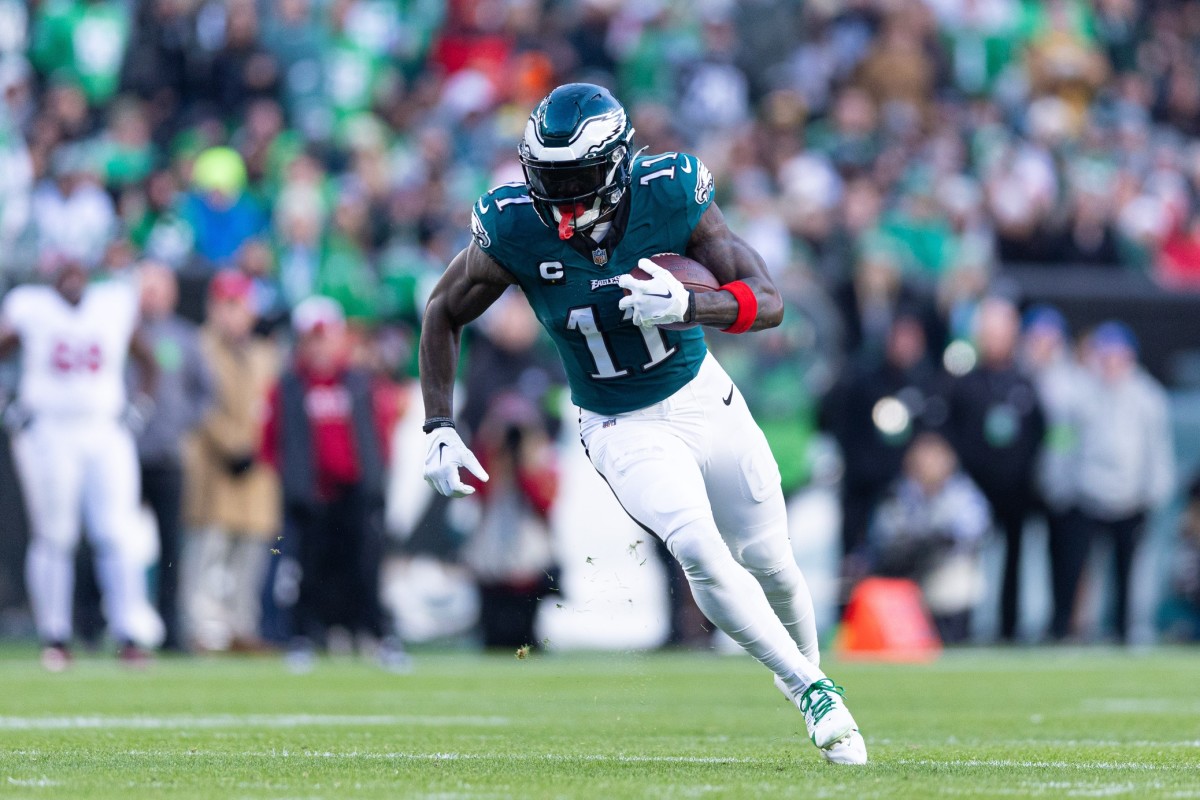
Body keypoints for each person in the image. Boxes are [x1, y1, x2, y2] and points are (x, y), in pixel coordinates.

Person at [419, 83, 866, 764]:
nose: (559, 199)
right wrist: (438, 423)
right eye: (548, 180)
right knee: (696, 548)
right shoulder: (514, 224)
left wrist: (691, 303)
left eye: (574, 181)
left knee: (771, 560)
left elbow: (769, 302)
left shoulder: (669, 192)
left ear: (614, 166)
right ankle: (813, 692)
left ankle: (807, 672)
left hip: (702, 396)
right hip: (618, 422)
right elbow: (443, 310)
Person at [0, 259, 161, 669]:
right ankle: (55, 635)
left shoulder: (113, 303)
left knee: (117, 531)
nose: (71, 276)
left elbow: (149, 359)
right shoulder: (29, 306)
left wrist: (139, 409)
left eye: (77, 267)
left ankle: (130, 633)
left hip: (105, 429)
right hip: (49, 432)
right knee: (55, 535)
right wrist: (9, 406)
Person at [261, 296, 407, 671]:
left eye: (325, 337)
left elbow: (380, 433)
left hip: (355, 492)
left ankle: (376, 635)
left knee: (365, 566)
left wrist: (377, 479)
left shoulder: (359, 382)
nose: (320, 346)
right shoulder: (290, 385)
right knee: (306, 570)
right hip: (311, 496)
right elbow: (272, 438)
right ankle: (303, 637)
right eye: (313, 338)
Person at [181, 270, 280, 653]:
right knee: (209, 550)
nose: (236, 315)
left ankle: (242, 627)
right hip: (214, 467)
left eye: (241, 306)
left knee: (251, 555)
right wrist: (232, 444)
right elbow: (198, 406)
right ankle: (202, 629)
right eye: (229, 306)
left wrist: (257, 447)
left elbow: (271, 408)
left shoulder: (264, 353)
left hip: (258, 470)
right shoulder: (199, 347)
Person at [944, 296, 1045, 642]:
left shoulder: (1025, 382)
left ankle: (1009, 628)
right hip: (974, 488)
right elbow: (954, 432)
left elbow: (1038, 435)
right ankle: (962, 626)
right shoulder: (965, 383)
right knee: (965, 561)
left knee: (1013, 562)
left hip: (1015, 489)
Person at [1074, 322, 1175, 643]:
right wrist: (1064, 483)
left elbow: (1156, 449)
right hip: (1087, 496)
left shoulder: (1148, 397)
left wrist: (1155, 491)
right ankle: (1080, 627)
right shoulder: (1082, 395)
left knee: (1130, 571)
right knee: (1084, 571)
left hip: (1132, 499)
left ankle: (1127, 627)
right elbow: (1066, 446)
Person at [134, 262, 214, 651]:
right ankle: (103, 622)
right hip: (124, 453)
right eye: (145, 288)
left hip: (166, 454)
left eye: (158, 288)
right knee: (112, 542)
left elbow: (204, 391)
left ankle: (170, 629)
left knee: (171, 547)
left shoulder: (183, 337)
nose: (152, 296)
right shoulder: (121, 332)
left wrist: (181, 423)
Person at [871, 433, 991, 643]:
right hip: (908, 573)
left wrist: (939, 540)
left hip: (944, 569)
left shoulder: (961, 492)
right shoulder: (900, 492)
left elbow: (975, 530)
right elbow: (885, 532)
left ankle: (955, 636)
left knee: (961, 576)